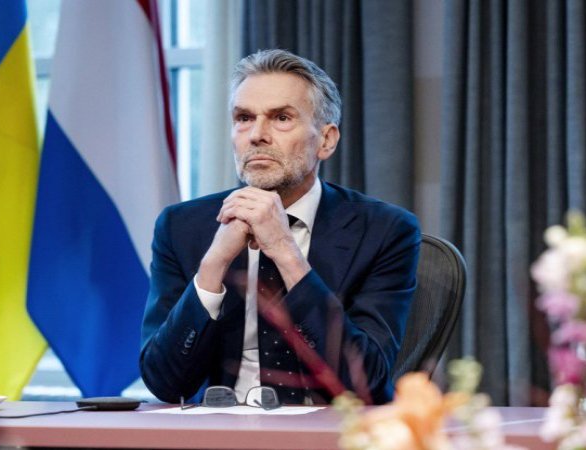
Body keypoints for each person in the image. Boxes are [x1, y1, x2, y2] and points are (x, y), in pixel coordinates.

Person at [140, 49, 420, 406]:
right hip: (218, 428)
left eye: (281, 118)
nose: (257, 135)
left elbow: (367, 383)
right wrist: (213, 264)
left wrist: (285, 251)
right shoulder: (181, 227)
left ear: (326, 140)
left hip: (328, 430)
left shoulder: (384, 230)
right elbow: (164, 383)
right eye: (244, 118)